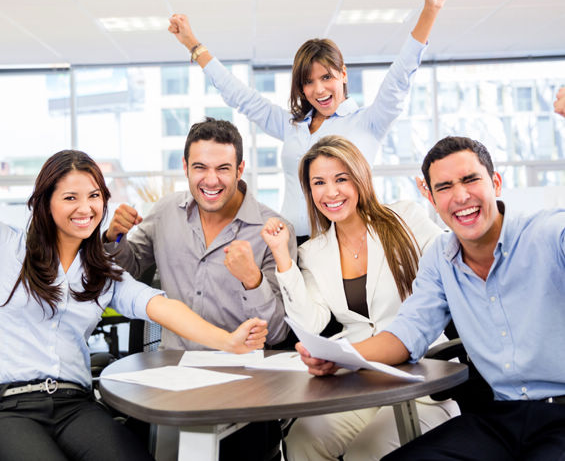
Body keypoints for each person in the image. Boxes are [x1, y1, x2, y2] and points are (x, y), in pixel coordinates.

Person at [299, 136, 565, 460]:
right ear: (430, 196)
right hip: (500, 416)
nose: (460, 196)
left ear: (496, 182)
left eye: (470, 180)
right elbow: (407, 333)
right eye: (445, 187)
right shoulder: (440, 257)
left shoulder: (549, 233)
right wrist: (339, 356)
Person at [0, 149, 268, 461]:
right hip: (11, 407)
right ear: (46, 202)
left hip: (74, 405)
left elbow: (162, 307)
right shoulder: (9, 248)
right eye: (70, 198)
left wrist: (228, 341)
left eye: (94, 196)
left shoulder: (102, 273)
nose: (85, 208)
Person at [168, 0, 450, 239]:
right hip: (293, 243)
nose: (319, 90)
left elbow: (400, 76)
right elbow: (239, 95)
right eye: (308, 81)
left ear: (343, 74)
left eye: (327, 77)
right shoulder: (292, 126)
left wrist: (430, 10)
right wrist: (193, 45)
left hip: (345, 242)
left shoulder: (369, 122)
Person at [104, 117, 296, 460]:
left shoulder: (273, 230)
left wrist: (252, 279)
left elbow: (279, 331)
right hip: (171, 374)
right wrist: (113, 237)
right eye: (200, 167)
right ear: (185, 167)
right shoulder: (166, 213)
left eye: (223, 168)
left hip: (244, 379)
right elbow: (129, 270)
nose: (211, 179)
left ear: (240, 169)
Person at [260, 135, 458, 460]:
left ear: (360, 178)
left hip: (420, 378)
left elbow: (451, 259)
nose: (331, 192)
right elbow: (310, 323)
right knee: (303, 439)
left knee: (366, 452)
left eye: (341, 179)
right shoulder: (313, 252)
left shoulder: (404, 218)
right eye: (319, 183)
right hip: (359, 381)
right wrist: (282, 255)